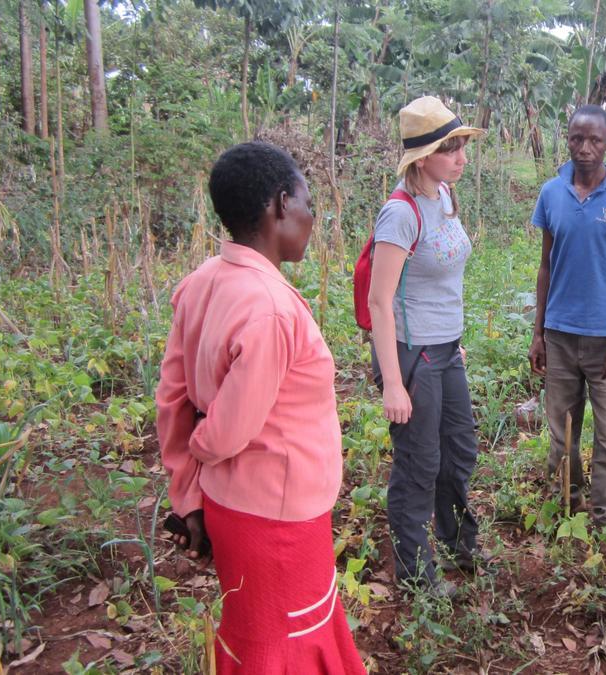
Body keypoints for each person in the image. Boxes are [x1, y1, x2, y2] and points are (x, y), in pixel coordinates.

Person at [155, 142, 366, 674]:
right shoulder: (270, 310)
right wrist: (204, 444)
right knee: (283, 644)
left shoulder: (203, 283)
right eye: (307, 202)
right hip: (277, 521)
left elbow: (172, 398)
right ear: (278, 206)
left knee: (259, 635)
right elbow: (223, 431)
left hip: (235, 507)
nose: (313, 218)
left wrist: (189, 492)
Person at [368, 96, 486, 595]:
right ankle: (417, 576)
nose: (461, 156)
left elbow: (442, 283)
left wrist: (452, 342)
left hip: (445, 349)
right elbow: (379, 302)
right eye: (450, 148)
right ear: (422, 158)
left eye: (461, 146)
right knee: (419, 465)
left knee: (459, 452)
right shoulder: (400, 214)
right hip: (412, 356)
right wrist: (394, 382)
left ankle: (460, 542)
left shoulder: (443, 196)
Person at [528, 104, 606, 560]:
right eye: (577, 138)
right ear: (568, 139)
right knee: (563, 434)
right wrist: (538, 332)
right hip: (559, 336)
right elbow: (545, 266)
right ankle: (568, 503)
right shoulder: (551, 192)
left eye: (594, 140)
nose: (584, 148)